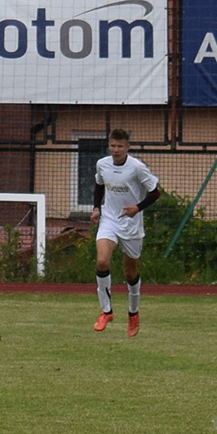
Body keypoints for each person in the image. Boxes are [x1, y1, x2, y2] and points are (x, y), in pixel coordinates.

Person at [90, 128, 160, 337]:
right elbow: (99, 186)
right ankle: (107, 311)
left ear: (127, 147)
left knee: (130, 273)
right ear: (109, 146)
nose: (116, 150)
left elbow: (155, 192)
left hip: (131, 224)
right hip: (109, 220)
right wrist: (96, 208)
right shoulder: (102, 164)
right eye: (113, 146)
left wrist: (137, 208)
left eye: (120, 146)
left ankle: (133, 313)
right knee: (102, 261)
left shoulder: (137, 168)